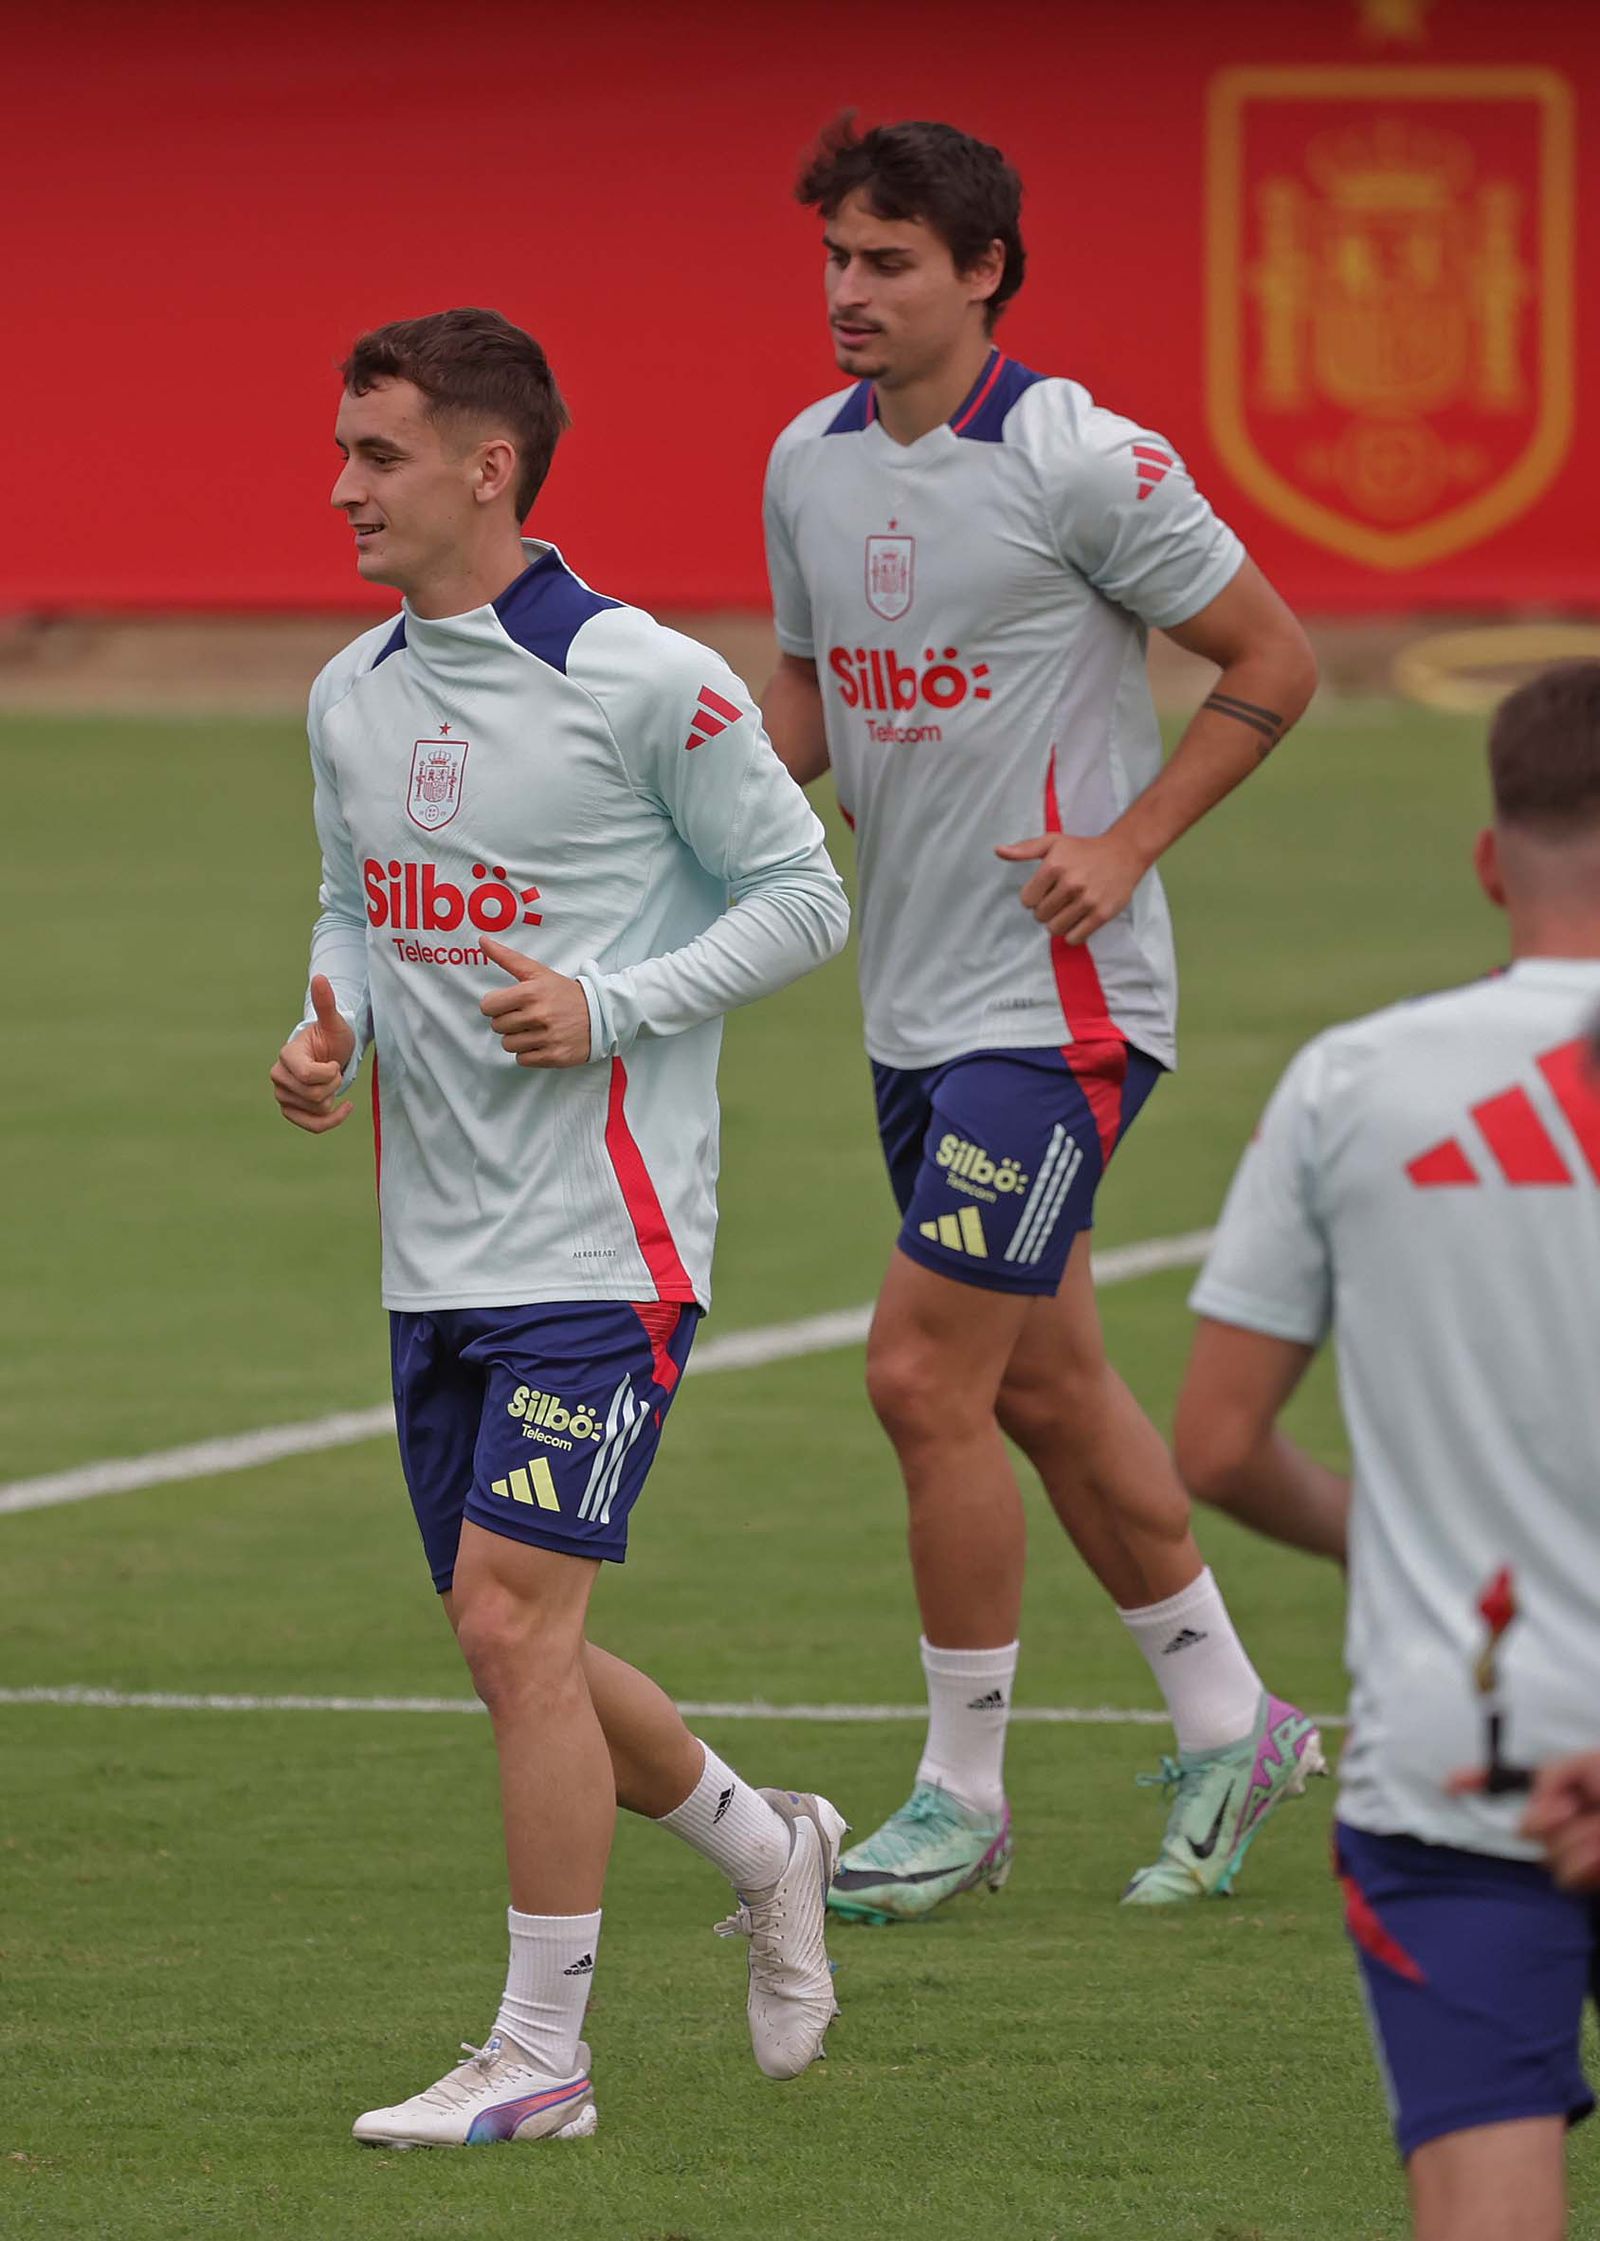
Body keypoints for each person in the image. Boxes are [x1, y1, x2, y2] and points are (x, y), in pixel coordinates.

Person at [270, 307, 852, 2147]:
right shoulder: (348, 692)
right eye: (345, 449)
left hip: (606, 1244)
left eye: (377, 452)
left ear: (486, 467)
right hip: (430, 1249)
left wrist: (609, 1006)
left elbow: (804, 893)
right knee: (504, 1627)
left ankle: (542, 2056)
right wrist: (327, 1018)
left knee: (516, 1621)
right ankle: (770, 1848)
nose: (343, 484)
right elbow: (353, 902)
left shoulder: (642, 679)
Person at [759, 113, 1323, 1919]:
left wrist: (1124, 841)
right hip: (913, 1005)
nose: (851, 292)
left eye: (890, 260)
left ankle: (963, 1792)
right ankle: (1235, 1721)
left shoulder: (1081, 459)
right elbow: (808, 699)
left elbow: (1276, 660)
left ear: (983, 271)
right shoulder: (806, 466)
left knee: (923, 1371)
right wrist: (679, 859)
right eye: (838, 257)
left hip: (1062, 1010)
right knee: (1055, 1389)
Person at [1172, 663, 1600, 2240]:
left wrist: (1413, 1531)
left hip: (1459, 1762)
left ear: (1494, 861)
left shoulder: (1353, 1082)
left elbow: (1214, 1445)